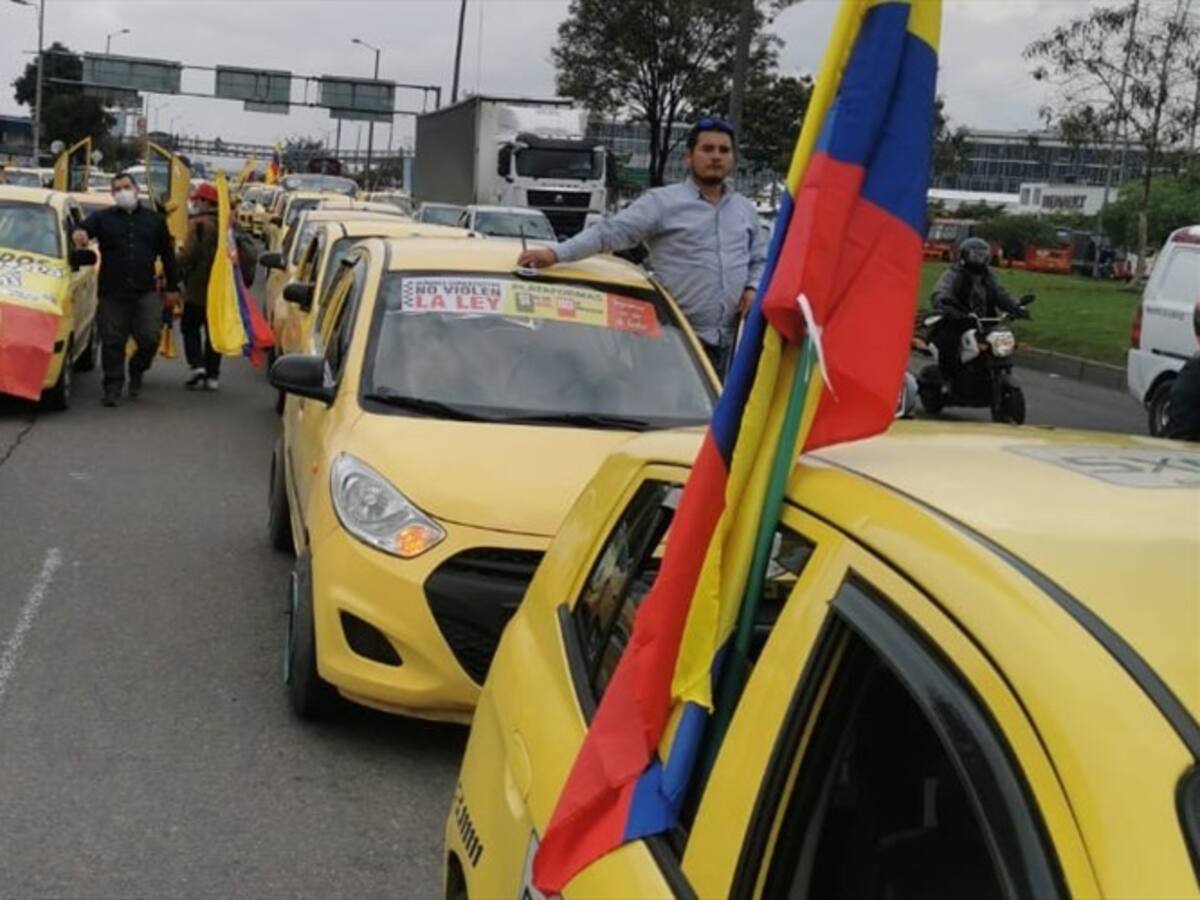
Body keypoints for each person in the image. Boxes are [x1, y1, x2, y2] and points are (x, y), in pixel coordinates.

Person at [517, 118, 766, 378]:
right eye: (707, 149)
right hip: (674, 343)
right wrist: (555, 254)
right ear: (689, 157)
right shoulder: (662, 203)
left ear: (733, 159)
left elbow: (759, 259)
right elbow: (609, 233)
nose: (716, 156)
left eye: (723, 150)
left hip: (732, 345)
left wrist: (752, 287)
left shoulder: (745, 210)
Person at [74, 172, 181, 407]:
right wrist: (80, 233)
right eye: (118, 189)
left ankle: (137, 367)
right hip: (113, 292)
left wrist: (173, 287)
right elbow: (83, 229)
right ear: (112, 194)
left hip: (146, 291)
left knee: (150, 337)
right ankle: (112, 387)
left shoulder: (154, 220)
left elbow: (168, 255)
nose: (123, 192)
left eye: (126, 187)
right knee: (112, 341)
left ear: (136, 189)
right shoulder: (103, 219)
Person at [929, 236, 1028, 384]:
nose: (979, 260)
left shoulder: (989, 276)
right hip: (958, 319)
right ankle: (947, 379)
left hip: (985, 321)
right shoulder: (954, 273)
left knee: (1001, 339)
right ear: (964, 255)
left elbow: (1000, 294)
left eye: (982, 256)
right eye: (975, 255)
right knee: (949, 343)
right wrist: (944, 301)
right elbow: (942, 290)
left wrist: (1015, 307)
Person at [178, 183, 222, 391]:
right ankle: (213, 376)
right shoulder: (227, 225)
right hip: (221, 289)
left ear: (206, 202)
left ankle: (197, 365)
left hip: (198, 287)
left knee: (189, 326)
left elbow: (188, 256)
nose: (194, 203)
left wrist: (171, 264)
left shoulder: (199, 225)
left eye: (197, 200)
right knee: (214, 333)